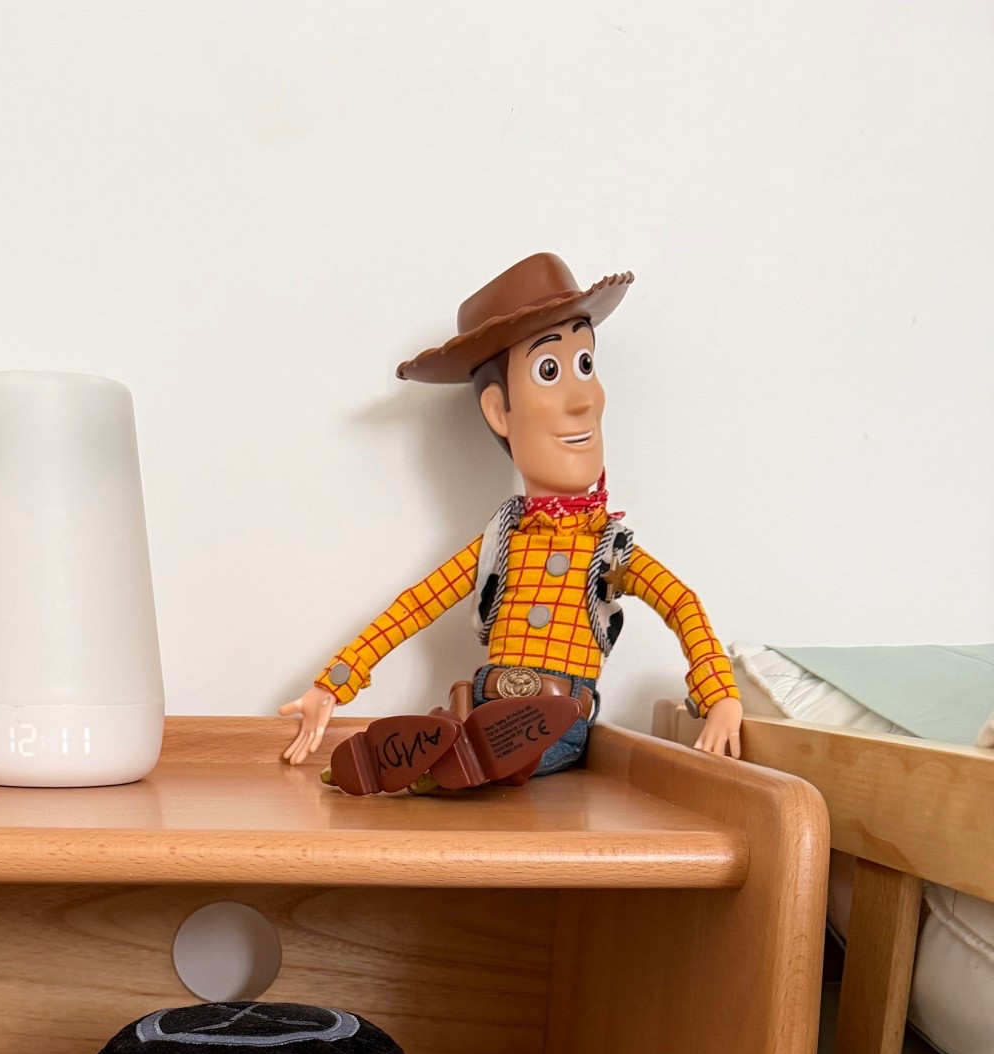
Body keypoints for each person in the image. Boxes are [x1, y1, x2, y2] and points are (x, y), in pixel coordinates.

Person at [280, 253, 743, 782]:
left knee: (516, 746)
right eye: (551, 371)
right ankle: (438, 754)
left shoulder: (611, 551)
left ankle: (440, 761)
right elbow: (415, 606)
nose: (584, 398)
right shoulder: (500, 543)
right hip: (486, 699)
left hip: (556, 720)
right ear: (499, 411)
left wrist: (719, 695)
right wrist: (332, 684)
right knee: (478, 735)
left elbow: (682, 602)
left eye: (586, 365)